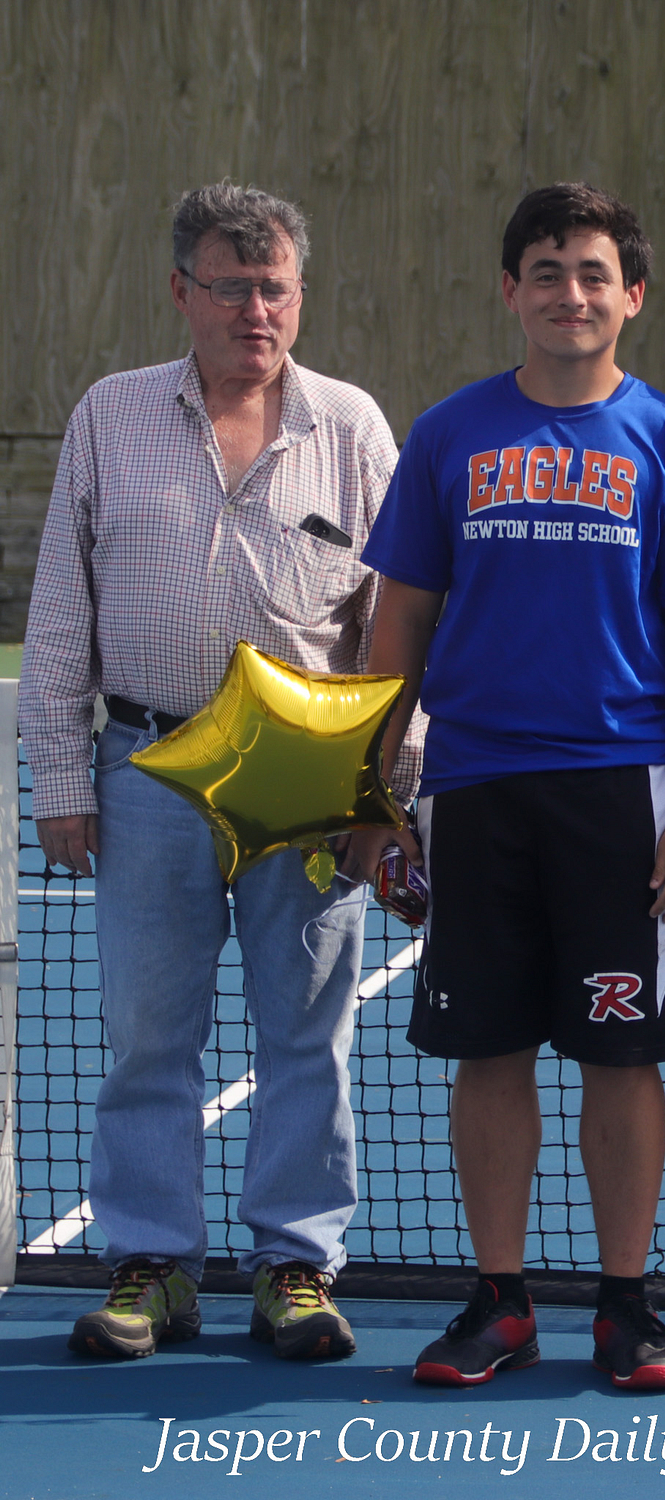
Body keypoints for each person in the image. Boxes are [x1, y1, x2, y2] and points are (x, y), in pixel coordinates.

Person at [346, 182, 665, 1390]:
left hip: (622, 796)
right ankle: (500, 1301)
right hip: (474, 788)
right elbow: (397, 627)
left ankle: (625, 1308)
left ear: (632, 296)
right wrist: (372, 796)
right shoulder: (448, 436)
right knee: (490, 1051)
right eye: (545, 271)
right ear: (508, 290)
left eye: (592, 274)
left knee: (622, 1058)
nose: (569, 294)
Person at [19, 182, 423, 1361]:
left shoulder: (352, 428)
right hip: (145, 766)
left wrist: (386, 795)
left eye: (275, 288)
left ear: (300, 295)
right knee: (149, 1035)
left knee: (308, 1034)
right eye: (231, 287)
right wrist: (62, 777)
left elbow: (402, 625)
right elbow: (61, 610)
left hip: (309, 783)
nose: (257, 310)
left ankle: (296, 1267)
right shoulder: (110, 415)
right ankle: (153, 1267)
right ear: (181, 292)